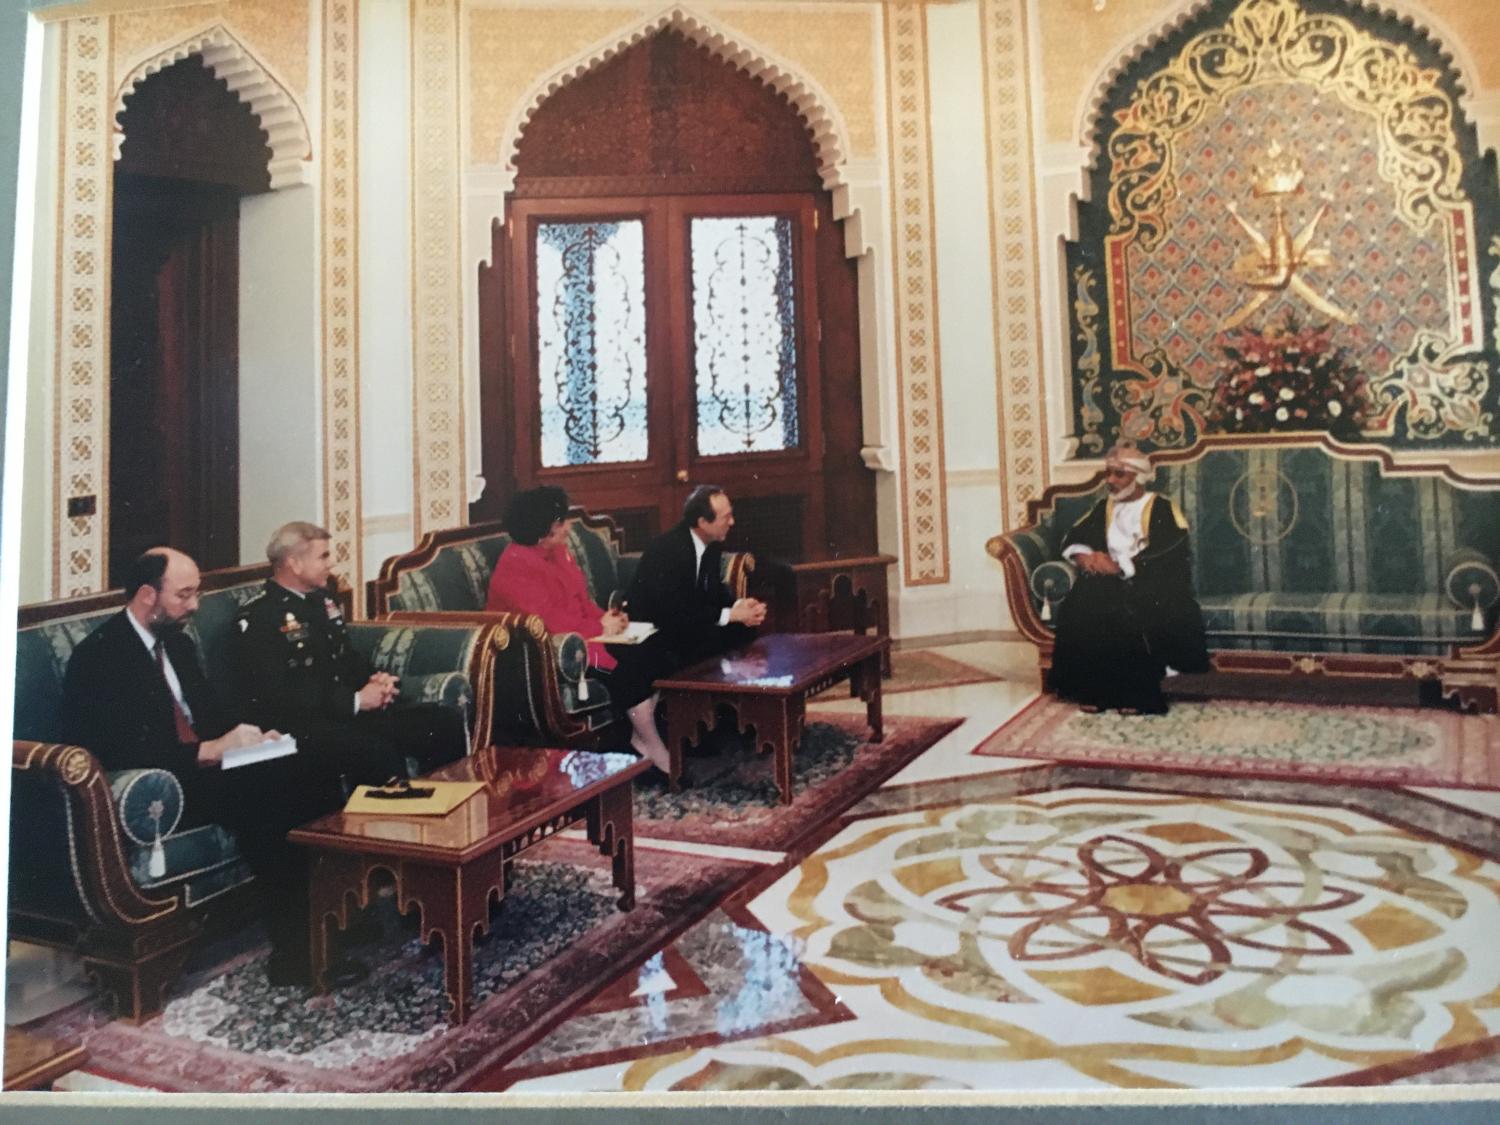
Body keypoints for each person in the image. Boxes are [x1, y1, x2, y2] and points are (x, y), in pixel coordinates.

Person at [59, 548, 350, 988]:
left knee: (314, 767)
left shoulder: (175, 641)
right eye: (184, 595)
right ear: (146, 595)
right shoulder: (101, 657)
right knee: (272, 795)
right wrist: (211, 750)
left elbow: (209, 713)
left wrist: (251, 736)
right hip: (166, 788)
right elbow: (123, 749)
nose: (195, 606)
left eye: (197, 593)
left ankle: (339, 919)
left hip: (210, 765)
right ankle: (297, 956)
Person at [232, 521, 468, 786]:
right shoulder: (261, 616)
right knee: (376, 753)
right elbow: (281, 695)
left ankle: (445, 812)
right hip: (302, 726)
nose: (331, 563)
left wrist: (379, 680)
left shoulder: (322, 600)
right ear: (294, 563)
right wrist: (355, 701)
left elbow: (345, 656)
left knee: (443, 723)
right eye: (323, 556)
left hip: (343, 714)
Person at [1049, 442, 1210, 715]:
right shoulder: (1104, 507)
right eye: (1108, 473)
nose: (1110, 481)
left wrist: (1121, 566)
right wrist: (1085, 558)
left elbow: (1171, 548)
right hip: (1106, 581)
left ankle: (1137, 696)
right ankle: (1095, 691)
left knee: (1127, 608)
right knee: (1084, 601)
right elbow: (1074, 536)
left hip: (1151, 581)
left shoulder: (1161, 507)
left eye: (1118, 474)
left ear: (1138, 477)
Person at [616, 486, 769, 764]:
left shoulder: (709, 544)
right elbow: (673, 612)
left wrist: (739, 608)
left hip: (686, 622)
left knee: (743, 629)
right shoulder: (669, 550)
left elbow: (711, 593)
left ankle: (730, 720)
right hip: (655, 627)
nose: (732, 522)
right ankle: (682, 731)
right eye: (726, 517)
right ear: (702, 522)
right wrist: (727, 616)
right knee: (710, 636)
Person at [485, 486, 628, 673]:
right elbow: (548, 621)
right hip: (545, 651)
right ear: (541, 529)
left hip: (583, 637)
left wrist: (608, 619)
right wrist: (600, 627)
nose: (568, 528)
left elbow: (581, 602)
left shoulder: (557, 551)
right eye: (561, 523)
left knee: (651, 655)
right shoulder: (515, 565)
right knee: (631, 672)